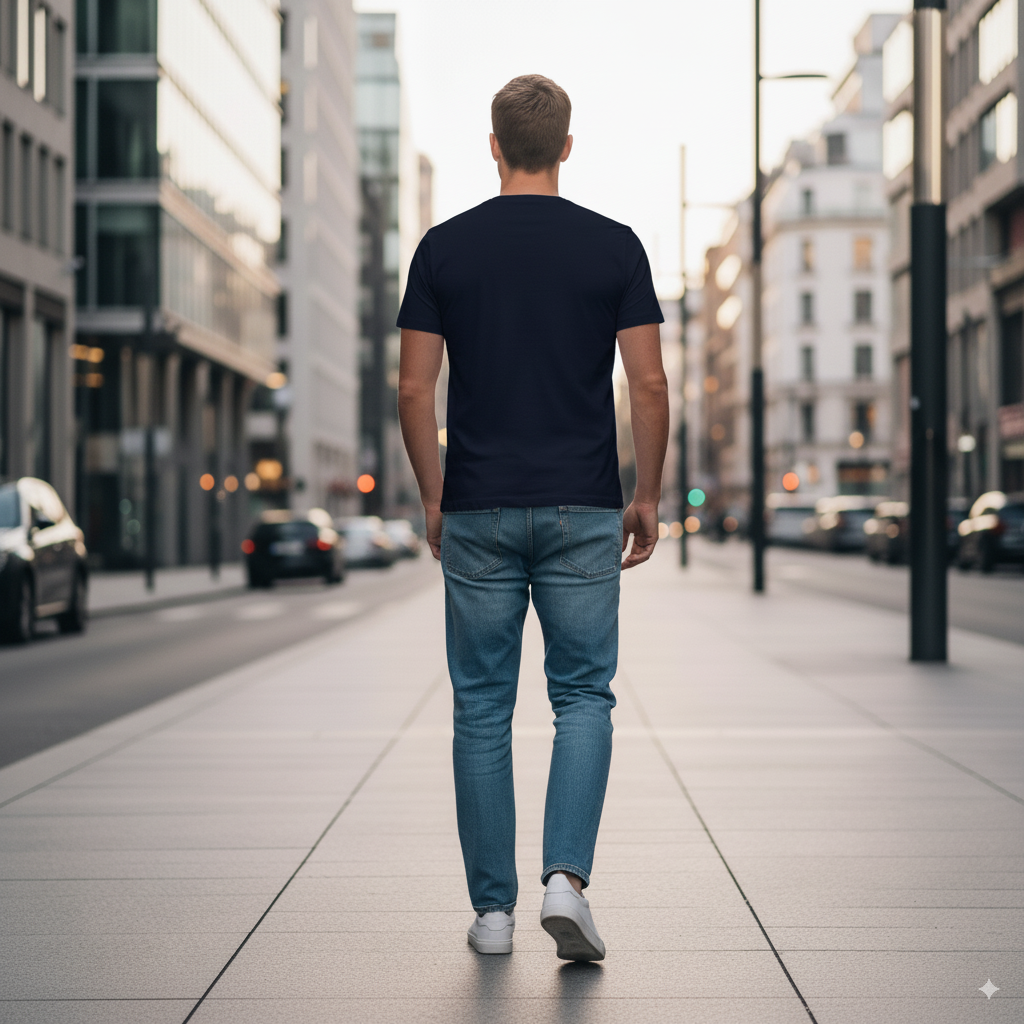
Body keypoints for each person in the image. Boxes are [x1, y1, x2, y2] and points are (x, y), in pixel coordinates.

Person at [397, 74, 669, 961]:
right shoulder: (614, 247)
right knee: (583, 695)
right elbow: (651, 384)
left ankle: (491, 915)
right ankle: (566, 882)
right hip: (583, 504)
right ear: (565, 147)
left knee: (481, 707)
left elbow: (412, 386)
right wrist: (649, 495)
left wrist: (435, 497)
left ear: (493, 145)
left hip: (476, 503)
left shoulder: (443, 249)